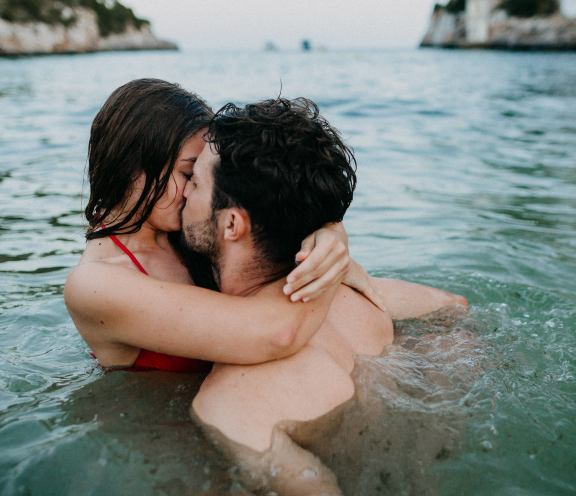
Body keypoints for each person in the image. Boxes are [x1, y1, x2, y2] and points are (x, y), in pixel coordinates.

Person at [183, 98, 467, 495]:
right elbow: (455, 308)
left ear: (231, 223)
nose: (182, 194)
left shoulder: (233, 403)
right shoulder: (360, 294)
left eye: (194, 181)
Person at [64, 79, 370, 372]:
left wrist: (329, 230)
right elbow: (275, 333)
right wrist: (326, 273)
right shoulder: (95, 285)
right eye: (188, 174)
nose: (192, 191)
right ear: (131, 167)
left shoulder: (182, 233)